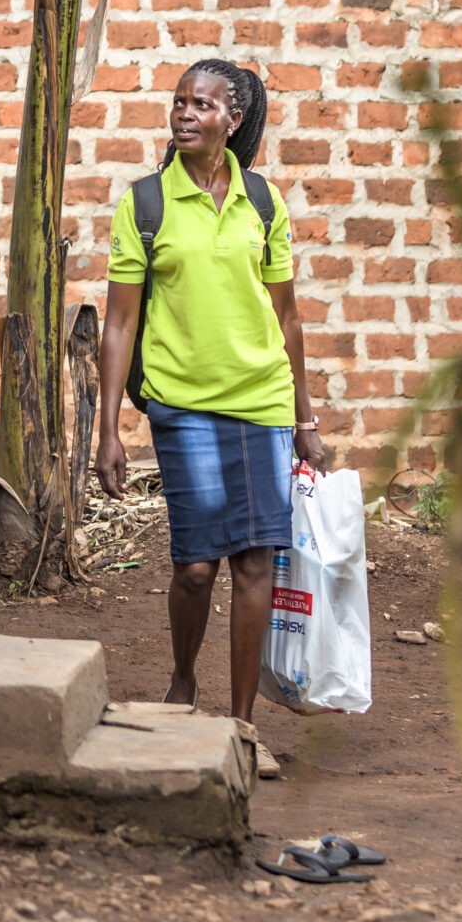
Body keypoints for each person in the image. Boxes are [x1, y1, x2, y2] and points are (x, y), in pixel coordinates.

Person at [92, 59, 331, 779]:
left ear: (234, 119)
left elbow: (286, 317)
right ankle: (183, 680)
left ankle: (241, 726)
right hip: (183, 404)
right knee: (196, 568)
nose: (185, 113)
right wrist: (107, 429)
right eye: (179, 101)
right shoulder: (145, 205)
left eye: (202, 104)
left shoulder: (263, 201)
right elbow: (118, 324)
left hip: (260, 403)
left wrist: (305, 416)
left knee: (255, 563)